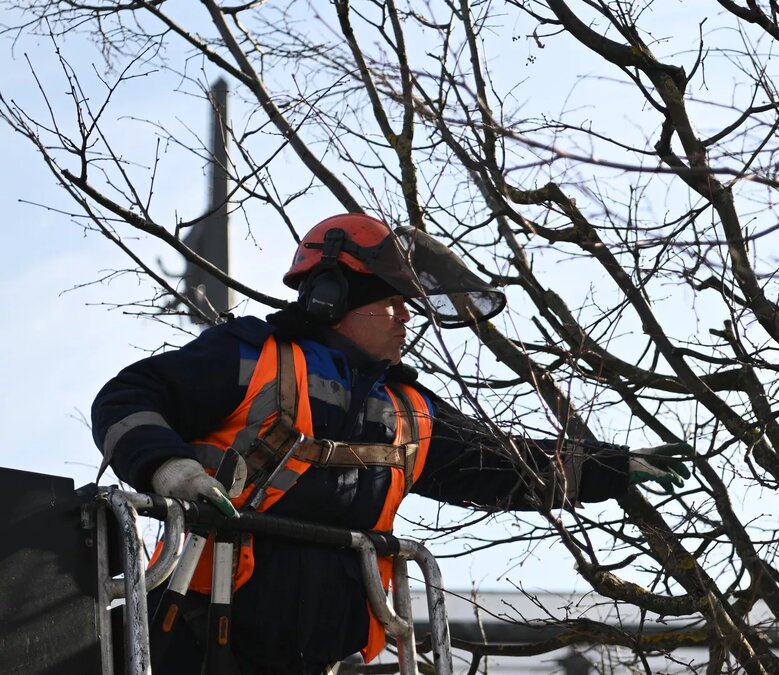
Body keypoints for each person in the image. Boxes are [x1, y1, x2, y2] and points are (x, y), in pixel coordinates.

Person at [91, 213, 691, 674]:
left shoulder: (408, 410)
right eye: (392, 302)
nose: (407, 317)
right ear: (333, 297)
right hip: (200, 638)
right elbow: (127, 398)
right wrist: (170, 471)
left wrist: (615, 468)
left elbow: (502, 465)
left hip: (325, 654)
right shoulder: (251, 357)